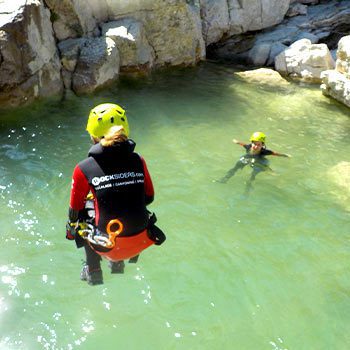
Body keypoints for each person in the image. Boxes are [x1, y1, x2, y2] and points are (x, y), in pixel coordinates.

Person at [66, 103, 165, 286]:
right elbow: (149, 197)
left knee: (85, 213)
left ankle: (93, 270)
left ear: (93, 134)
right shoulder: (138, 160)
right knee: (117, 205)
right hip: (143, 239)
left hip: (106, 246)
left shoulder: (83, 168)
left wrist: (71, 233)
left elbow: (74, 212)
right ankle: (117, 265)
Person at [217, 131, 290, 189]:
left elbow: (275, 153)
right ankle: (225, 179)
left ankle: (249, 184)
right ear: (251, 143)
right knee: (236, 166)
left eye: (259, 145)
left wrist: (285, 155)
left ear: (262, 145)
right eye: (254, 144)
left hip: (259, 160)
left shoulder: (264, 151)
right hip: (248, 157)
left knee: (254, 173)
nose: (256, 146)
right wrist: (236, 142)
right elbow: (242, 144)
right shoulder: (248, 147)